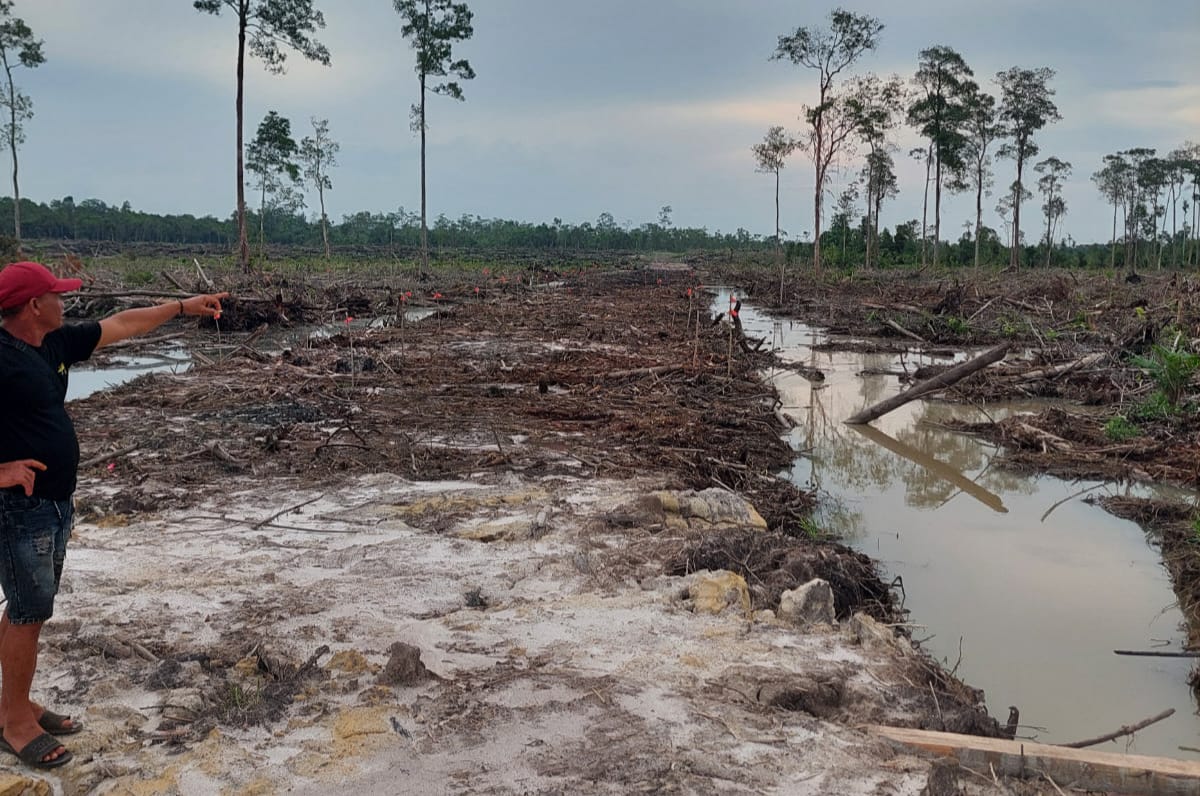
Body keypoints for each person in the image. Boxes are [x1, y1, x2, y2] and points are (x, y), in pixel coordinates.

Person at [0, 260, 226, 769]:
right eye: (57, 296)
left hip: (55, 503)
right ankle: (14, 721)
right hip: (21, 509)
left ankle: (14, 702)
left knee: (24, 607)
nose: (66, 302)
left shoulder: (51, 344)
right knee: (29, 613)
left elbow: (123, 324)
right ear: (34, 306)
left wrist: (183, 307)